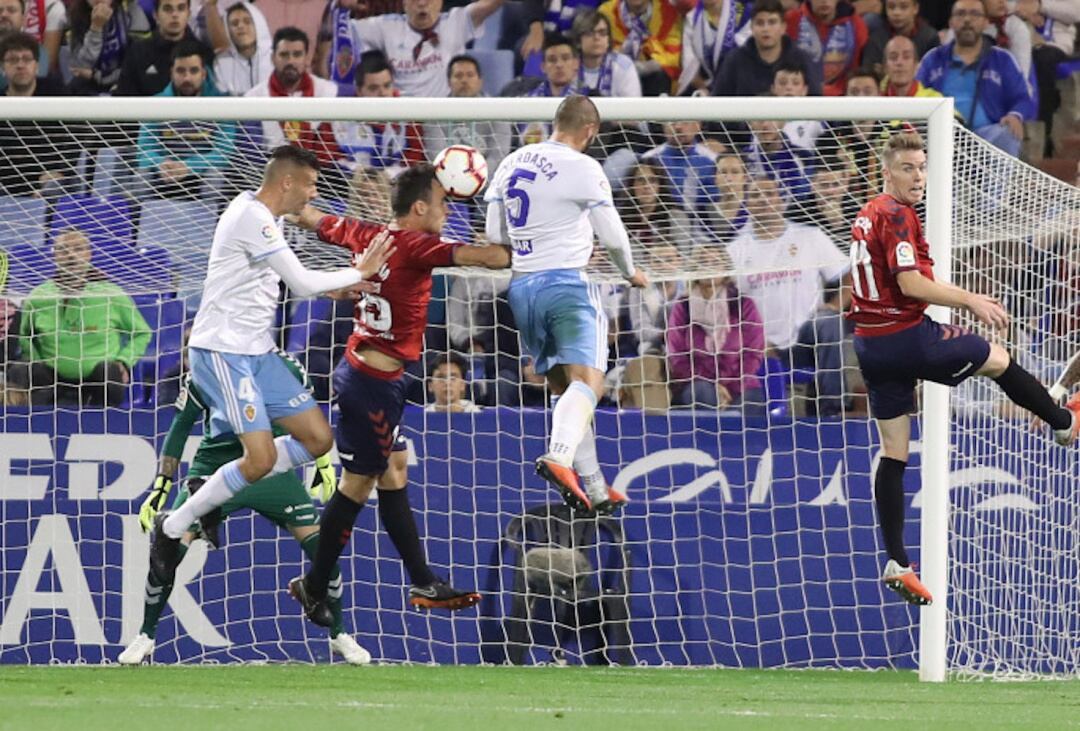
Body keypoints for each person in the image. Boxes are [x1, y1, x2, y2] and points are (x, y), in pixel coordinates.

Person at [847, 131, 1080, 606]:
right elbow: (911, 284)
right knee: (997, 358)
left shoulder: (869, 211)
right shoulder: (896, 214)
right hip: (906, 337)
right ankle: (1063, 423)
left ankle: (897, 562)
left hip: (870, 345)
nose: (917, 177)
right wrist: (970, 299)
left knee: (893, 452)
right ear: (886, 172)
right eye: (907, 168)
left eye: (922, 167)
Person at [147, 145, 395, 587]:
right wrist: (361, 272)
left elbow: (273, 275)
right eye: (311, 185)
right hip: (223, 352)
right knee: (259, 458)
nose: (313, 194)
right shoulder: (251, 216)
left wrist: (332, 289)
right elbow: (301, 280)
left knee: (318, 439)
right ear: (288, 182)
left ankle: (216, 490)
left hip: (257, 352)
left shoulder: (266, 216)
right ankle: (172, 526)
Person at [285, 164, 511, 628]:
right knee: (358, 483)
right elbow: (490, 258)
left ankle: (422, 579)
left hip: (378, 379)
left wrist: (284, 205)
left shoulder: (364, 233)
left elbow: (311, 218)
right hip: (369, 385)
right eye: (443, 203)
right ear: (420, 207)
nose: (448, 212)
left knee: (395, 468)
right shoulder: (417, 246)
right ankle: (315, 584)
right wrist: (540, 244)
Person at [120, 352, 371, 666]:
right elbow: (180, 427)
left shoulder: (287, 367)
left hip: (271, 469)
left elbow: (309, 421)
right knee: (170, 547)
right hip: (214, 468)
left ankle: (339, 634)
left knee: (324, 548)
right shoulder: (206, 370)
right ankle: (145, 635)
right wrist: (162, 484)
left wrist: (323, 465)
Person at [485, 95, 649, 513]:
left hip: (522, 290)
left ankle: (594, 485)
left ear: (555, 122)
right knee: (590, 384)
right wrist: (630, 271)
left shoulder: (512, 161)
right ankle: (559, 457)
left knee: (567, 390)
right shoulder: (583, 167)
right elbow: (613, 236)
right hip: (566, 286)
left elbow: (493, 233)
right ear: (590, 130)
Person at [9, 228, 152, 406]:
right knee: (20, 369)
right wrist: (36, 359)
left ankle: (107, 420)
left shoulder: (111, 294)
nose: (71, 255)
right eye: (63, 250)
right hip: (50, 378)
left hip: (97, 379)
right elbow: (24, 336)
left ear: (89, 254)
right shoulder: (39, 296)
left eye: (78, 249)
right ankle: (27, 421)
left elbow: (142, 332)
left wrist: (123, 360)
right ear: (55, 256)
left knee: (109, 372)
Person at [727, 174, 847, 356]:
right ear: (746, 203)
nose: (763, 199)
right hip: (758, 345)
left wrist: (836, 305)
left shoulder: (811, 237)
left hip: (807, 338)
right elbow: (725, 303)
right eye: (756, 195)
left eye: (769, 193)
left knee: (829, 321)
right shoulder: (734, 251)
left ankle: (830, 377)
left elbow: (851, 274)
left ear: (780, 200)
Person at [916, 0, 1035, 158]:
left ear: (986, 22)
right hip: (942, 136)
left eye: (975, 14)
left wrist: (1015, 115)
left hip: (988, 138)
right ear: (951, 22)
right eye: (960, 14)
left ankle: (993, 177)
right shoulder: (933, 59)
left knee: (1007, 133)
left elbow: (1023, 98)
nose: (967, 19)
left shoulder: (1003, 59)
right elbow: (915, 94)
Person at [136, 40, 237, 199]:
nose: (187, 78)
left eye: (193, 71)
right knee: (141, 176)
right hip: (164, 173)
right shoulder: (155, 104)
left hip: (203, 173)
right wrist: (160, 164)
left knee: (215, 177)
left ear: (204, 74)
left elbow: (224, 151)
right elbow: (144, 149)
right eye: (181, 71)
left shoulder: (221, 105)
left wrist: (189, 166)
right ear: (172, 73)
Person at [348, 0, 504, 98]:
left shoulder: (456, 22)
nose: (422, 3)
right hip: (401, 116)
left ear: (440, 3)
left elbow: (492, 3)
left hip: (442, 114)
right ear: (404, 4)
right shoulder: (385, 27)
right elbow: (341, 29)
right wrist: (341, 5)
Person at [666, 267, 766, 409]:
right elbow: (677, 357)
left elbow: (754, 353)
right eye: (704, 262)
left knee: (748, 403)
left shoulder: (743, 304)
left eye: (714, 263)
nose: (709, 268)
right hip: (696, 383)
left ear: (726, 269)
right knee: (702, 392)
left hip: (740, 384)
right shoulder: (683, 306)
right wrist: (714, 385)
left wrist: (729, 385)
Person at [245, 27, 341, 166]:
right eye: (284, 55)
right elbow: (251, 154)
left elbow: (332, 148)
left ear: (306, 58)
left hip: (320, 170)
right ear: (273, 58)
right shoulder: (254, 98)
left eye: (297, 55)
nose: (290, 61)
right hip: (270, 169)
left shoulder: (328, 92)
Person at [0, 32, 76, 197]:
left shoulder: (56, 94)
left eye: (27, 59)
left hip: (49, 183)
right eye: (12, 60)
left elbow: (75, 138)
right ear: (2, 68)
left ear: (37, 65)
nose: (20, 65)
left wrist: (60, 171)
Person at [332, 50, 424, 178]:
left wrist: (387, 175)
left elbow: (414, 157)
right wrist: (362, 174)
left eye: (387, 86)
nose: (383, 93)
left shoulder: (409, 115)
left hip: (398, 184)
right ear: (359, 91)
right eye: (374, 88)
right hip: (350, 184)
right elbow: (330, 157)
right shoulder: (337, 117)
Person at [711, 0, 822, 97]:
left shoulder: (802, 59)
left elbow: (817, 103)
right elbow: (717, 104)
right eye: (760, 23)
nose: (766, 29)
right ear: (752, 28)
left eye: (772, 22)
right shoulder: (734, 60)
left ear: (783, 27)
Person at [423, 54, 511, 174]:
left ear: (480, 81)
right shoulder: (435, 114)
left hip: (487, 180)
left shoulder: (498, 111)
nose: (464, 80)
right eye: (458, 76)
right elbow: (436, 155)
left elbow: (498, 155)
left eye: (470, 75)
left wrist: (477, 178)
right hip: (447, 179)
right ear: (449, 82)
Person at [116, 0, 210, 96]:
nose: (175, 15)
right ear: (155, 15)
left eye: (181, 8)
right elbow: (124, 98)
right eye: (167, 9)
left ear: (188, 14)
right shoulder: (138, 52)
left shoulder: (203, 52)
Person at [598, 0, 685, 95]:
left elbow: (674, 56)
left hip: (658, 80)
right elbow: (600, 54)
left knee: (658, 75)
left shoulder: (668, 10)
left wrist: (645, 67)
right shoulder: (606, 12)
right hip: (618, 76)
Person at [785, 0, 868, 96]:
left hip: (841, 96)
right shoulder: (792, 19)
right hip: (800, 95)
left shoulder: (855, 23)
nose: (824, 1)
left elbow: (855, 68)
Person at [67, 0, 152, 94]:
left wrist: (97, 76)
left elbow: (137, 67)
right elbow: (79, 69)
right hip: (90, 87)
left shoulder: (131, 11)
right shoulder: (77, 14)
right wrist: (96, 28)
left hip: (124, 84)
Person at [678, 0, 752, 94]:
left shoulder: (745, 14)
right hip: (707, 88)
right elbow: (689, 67)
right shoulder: (692, 19)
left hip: (743, 87)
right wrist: (705, 90)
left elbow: (749, 59)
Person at [571, 9, 642, 97]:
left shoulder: (623, 65)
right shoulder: (569, 66)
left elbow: (632, 104)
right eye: (590, 33)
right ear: (578, 40)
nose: (596, 38)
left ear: (608, 39)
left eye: (602, 33)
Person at [212, 1, 272, 95]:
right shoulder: (221, 63)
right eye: (234, 23)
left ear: (258, 25)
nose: (241, 26)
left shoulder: (273, 58)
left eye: (247, 22)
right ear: (228, 30)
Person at [861, 0, 938, 72]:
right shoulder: (876, 39)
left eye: (904, 7)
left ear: (915, 8)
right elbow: (868, 71)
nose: (896, 13)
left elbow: (936, 71)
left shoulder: (929, 37)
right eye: (891, 7)